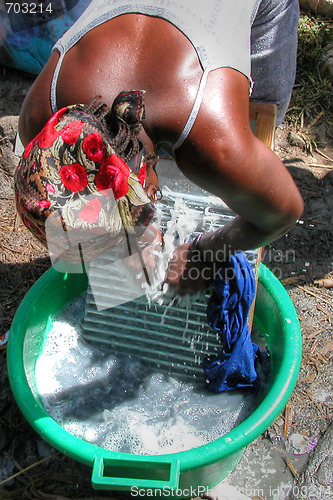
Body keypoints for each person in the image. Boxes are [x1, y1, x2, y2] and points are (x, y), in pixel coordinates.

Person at [16, 0, 304, 295]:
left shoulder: (217, 144)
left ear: (152, 189)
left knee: (256, 118)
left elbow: (283, 212)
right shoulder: (39, 116)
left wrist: (205, 253)